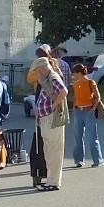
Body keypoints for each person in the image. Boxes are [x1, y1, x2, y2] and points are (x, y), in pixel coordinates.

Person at [31, 56, 68, 191]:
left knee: (54, 152)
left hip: (52, 119)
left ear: (44, 68)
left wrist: (53, 106)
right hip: (45, 119)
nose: (38, 73)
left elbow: (64, 91)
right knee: (48, 151)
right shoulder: (45, 79)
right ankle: (50, 180)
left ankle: (53, 182)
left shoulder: (53, 78)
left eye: (39, 70)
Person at [70, 63, 103, 168]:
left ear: (79, 73)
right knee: (78, 137)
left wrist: (93, 108)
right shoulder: (75, 84)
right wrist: (74, 107)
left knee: (92, 137)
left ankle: (98, 160)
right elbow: (76, 97)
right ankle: (79, 160)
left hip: (89, 111)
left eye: (74, 74)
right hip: (78, 111)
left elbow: (98, 97)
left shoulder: (90, 82)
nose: (73, 76)